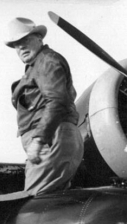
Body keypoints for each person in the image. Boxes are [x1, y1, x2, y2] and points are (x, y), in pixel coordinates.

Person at [5, 17, 84, 196]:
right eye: (16, 44)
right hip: (53, 139)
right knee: (51, 201)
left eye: (25, 40)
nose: (21, 47)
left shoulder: (46, 61)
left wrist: (39, 139)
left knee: (34, 202)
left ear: (39, 38)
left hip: (50, 140)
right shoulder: (37, 65)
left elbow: (57, 101)